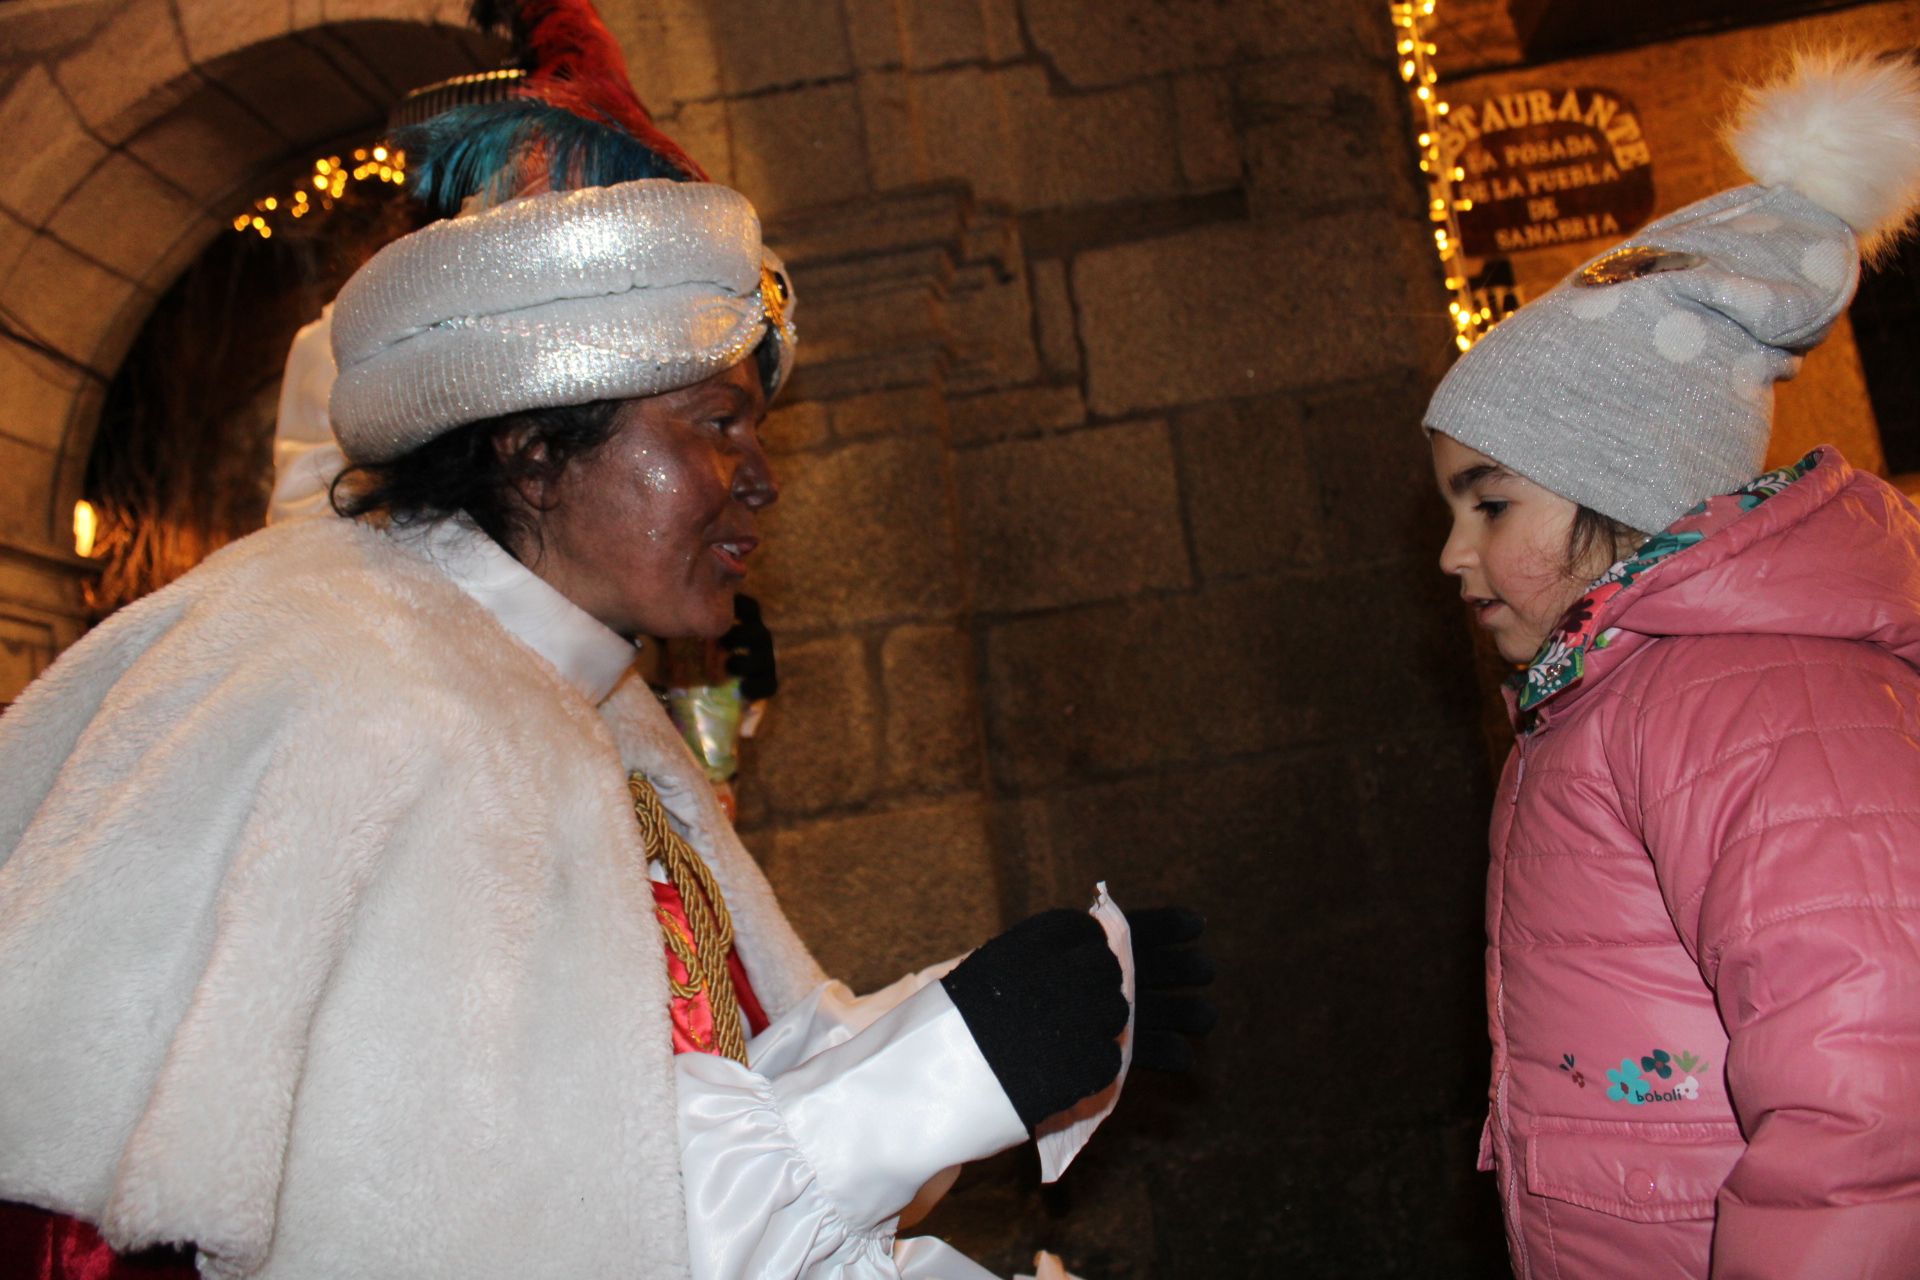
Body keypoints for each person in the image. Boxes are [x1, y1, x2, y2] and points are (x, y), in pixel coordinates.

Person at [0, 2, 1211, 1276]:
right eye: (713, 425)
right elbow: (468, 1239)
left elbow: (698, 1080)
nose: (759, 481)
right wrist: (928, 1082)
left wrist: (970, 1019)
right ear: (531, 444)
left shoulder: (594, 706)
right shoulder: (350, 689)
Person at [1424, 50, 1920, 1278]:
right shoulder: (1617, 701)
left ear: (1626, 481)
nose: (1450, 553)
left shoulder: (1748, 698)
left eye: (1489, 502)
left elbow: (1877, 1090)